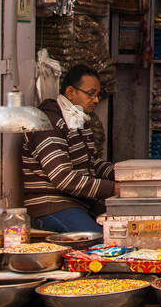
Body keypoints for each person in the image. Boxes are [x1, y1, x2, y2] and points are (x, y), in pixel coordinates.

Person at [21, 64, 118, 233]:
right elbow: (63, 178)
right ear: (70, 92)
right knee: (99, 241)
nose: (96, 100)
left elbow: (92, 164)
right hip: (51, 206)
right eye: (91, 94)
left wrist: (126, 175)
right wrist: (113, 189)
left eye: (97, 94)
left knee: (122, 227)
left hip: (79, 203)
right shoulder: (48, 123)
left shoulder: (78, 121)